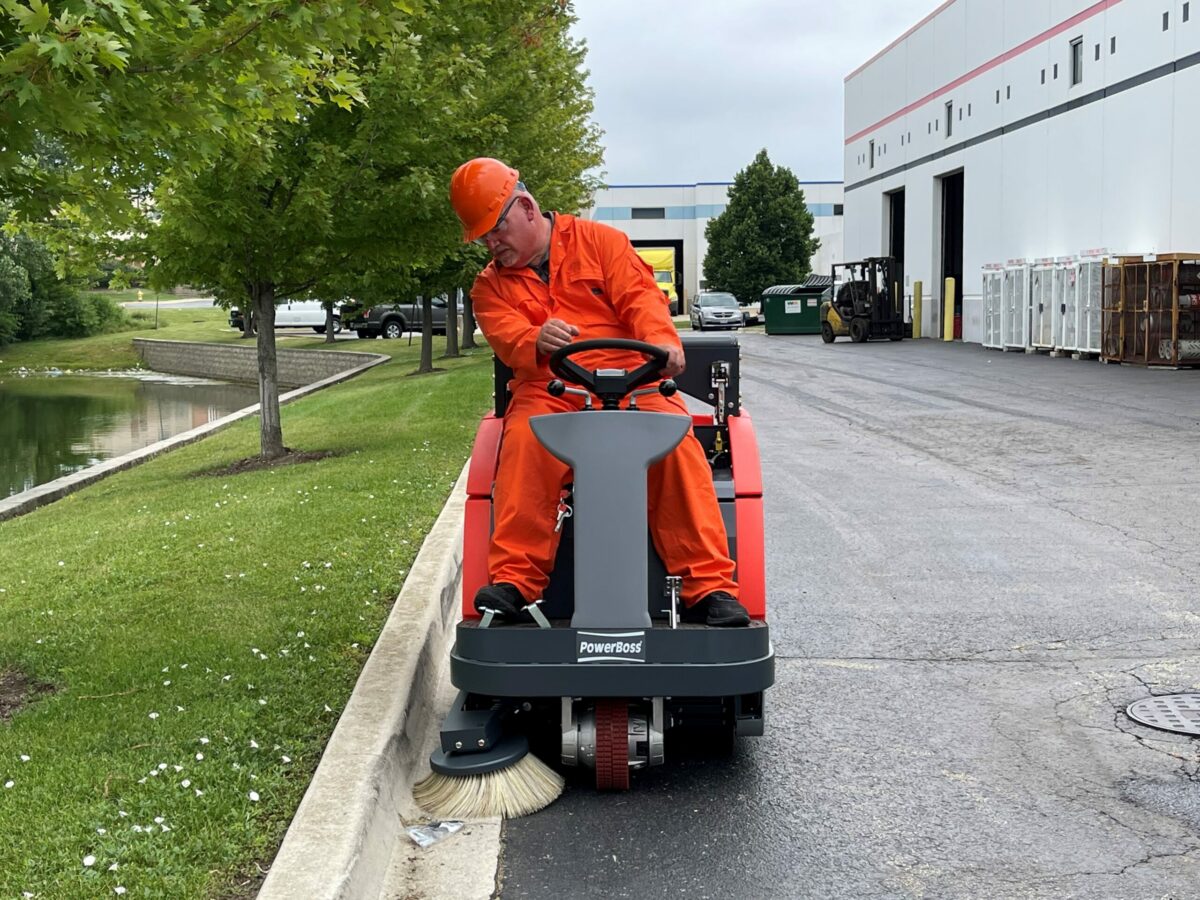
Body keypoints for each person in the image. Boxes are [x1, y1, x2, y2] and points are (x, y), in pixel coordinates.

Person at [449, 157, 749, 627]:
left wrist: (662, 342)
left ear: (526, 207)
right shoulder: (489, 288)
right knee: (526, 440)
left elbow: (642, 300)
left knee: (677, 448)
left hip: (633, 382)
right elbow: (509, 340)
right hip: (550, 388)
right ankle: (514, 582)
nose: (491, 244)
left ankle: (708, 585)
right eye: (483, 236)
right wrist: (535, 342)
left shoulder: (603, 244)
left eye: (496, 229)